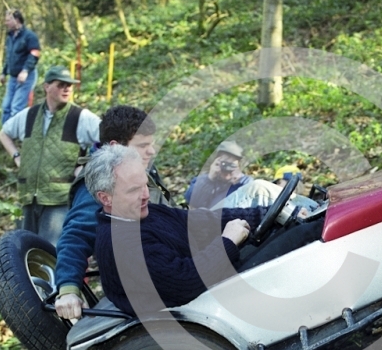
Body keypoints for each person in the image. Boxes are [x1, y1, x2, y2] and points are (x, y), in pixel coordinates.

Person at [87, 145, 321, 316]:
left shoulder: (140, 214)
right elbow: (186, 282)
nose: (146, 195)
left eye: (145, 186)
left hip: (210, 280)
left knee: (291, 225)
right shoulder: (122, 245)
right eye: (133, 190)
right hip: (201, 306)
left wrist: (268, 213)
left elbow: (201, 221)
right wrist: (228, 242)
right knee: (306, 235)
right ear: (105, 198)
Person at [53, 105, 176, 320]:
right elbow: (76, 235)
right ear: (115, 146)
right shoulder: (102, 182)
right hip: (149, 284)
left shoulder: (136, 166)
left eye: (152, 143)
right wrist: (68, 290)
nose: (152, 151)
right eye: (143, 145)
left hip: (170, 258)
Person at [0, 65, 100, 247]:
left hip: (60, 198)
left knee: (51, 252)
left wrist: (85, 167)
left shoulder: (80, 117)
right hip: (27, 196)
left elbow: (109, 141)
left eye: (69, 85)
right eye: (61, 84)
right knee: (23, 251)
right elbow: (4, 133)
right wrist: (16, 157)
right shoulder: (29, 115)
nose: (67, 89)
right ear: (47, 87)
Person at [184, 141, 319, 211]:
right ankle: (311, 208)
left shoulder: (244, 181)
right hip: (210, 220)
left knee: (257, 187)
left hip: (232, 219)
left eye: (232, 162)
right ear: (216, 160)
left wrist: (239, 182)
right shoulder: (205, 180)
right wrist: (210, 178)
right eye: (224, 161)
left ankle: (312, 208)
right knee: (258, 188)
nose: (227, 167)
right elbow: (191, 199)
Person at [0, 9, 41, 124]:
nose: (6, 23)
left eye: (8, 20)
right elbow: (9, 57)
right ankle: (6, 134)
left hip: (26, 77)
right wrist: (3, 73)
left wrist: (25, 70)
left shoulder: (29, 36)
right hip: (12, 77)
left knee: (17, 107)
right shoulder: (10, 37)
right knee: (6, 106)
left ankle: (17, 136)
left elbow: (35, 53)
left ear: (16, 20)